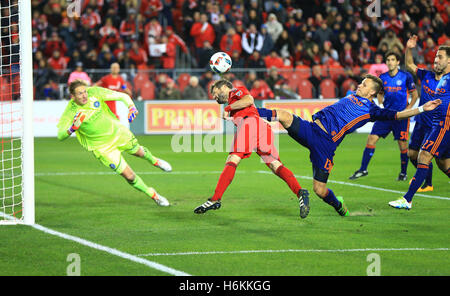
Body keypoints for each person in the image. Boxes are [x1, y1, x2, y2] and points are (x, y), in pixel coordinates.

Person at [257, 75, 440, 216]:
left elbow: (399, 114)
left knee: (319, 190)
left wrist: (423, 108)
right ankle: (249, 112)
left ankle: (338, 205)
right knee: (283, 115)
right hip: (311, 129)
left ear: (372, 93)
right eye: (361, 82)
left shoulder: (371, 111)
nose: (360, 85)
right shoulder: (351, 95)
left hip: (326, 145)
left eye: (365, 84)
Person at [193, 79, 310, 219]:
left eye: (215, 92)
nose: (214, 97)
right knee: (274, 164)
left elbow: (249, 99)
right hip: (260, 128)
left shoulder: (235, 92)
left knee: (233, 159)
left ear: (224, 87)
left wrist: (228, 109)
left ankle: (215, 199)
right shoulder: (233, 104)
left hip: (249, 125)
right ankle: (300, 192)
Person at [57, 79, 172, 207]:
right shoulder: (70, 112)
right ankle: (154, 195)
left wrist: (131, 107)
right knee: (129, 177)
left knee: (139, 152)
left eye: (85, 91)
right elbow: (60, 135)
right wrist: (72, 128)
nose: (85, 95)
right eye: (80, 93)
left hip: (117, 133)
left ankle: (156, 161)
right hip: (103, 148)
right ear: (72, 96)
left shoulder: (94, 92)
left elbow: (123, 96)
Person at [389, 45, 450, 210]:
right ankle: (422, 182)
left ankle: (407, 199)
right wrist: (408, 49)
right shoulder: (430, 76)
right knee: (443, 164)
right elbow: (410, 64)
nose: (436, 60)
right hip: (429, 123)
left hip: (443, 125)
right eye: (436, 56)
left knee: (424, 155)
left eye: (440, 57)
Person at [349, 52, 419, 181]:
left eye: (393, 59)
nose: (390, 62)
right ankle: (363, 169)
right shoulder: (383, 78)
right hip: (386, 115)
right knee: (371, 139)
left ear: (398, 62)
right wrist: (380, 103)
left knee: (403, 146)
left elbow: (414, 95)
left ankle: (403, 173)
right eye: (388, 60)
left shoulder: (406, 76)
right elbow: (380, 93)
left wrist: (407, 110)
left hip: (400, 117)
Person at [404, 35, 444, 192]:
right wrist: (409, 48)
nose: (435, 64)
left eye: (438, 61)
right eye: (434, 61)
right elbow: (408, 64)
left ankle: (428, 183)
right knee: (412, 154)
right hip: (421, 123)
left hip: (435, 126)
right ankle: (426, 176)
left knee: (437, 159)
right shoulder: (426, 75)